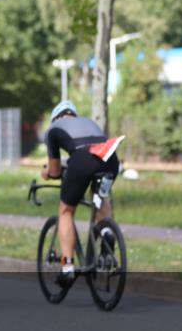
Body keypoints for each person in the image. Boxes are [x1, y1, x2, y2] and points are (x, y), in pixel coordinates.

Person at [39, 101, 122, 287]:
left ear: (56, 118)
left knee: (65, 212)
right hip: (110, 160)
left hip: (83, 160)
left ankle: (67, 267)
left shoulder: (53, 130)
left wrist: (47, 173)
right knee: (100, 198)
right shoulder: (89, 123)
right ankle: (107, 233)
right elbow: (90, 148)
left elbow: (55, 171)